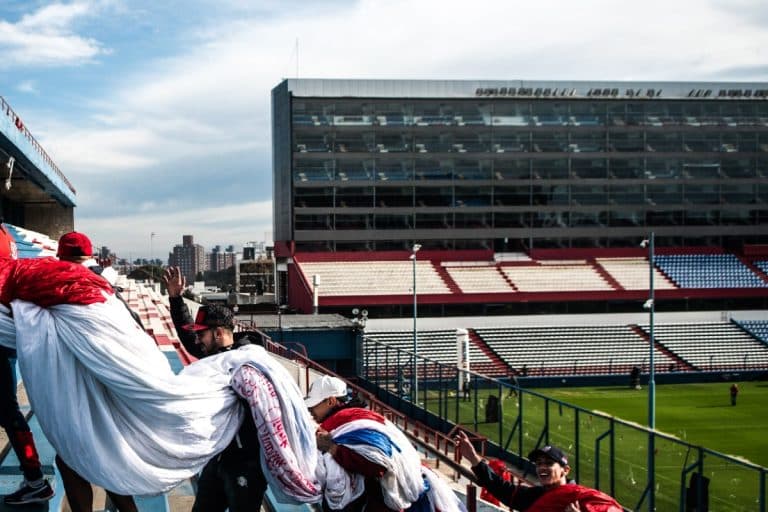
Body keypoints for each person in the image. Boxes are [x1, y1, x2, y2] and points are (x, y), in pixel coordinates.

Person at [163, 266, 267, 512]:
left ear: (219, 333)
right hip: (218, 458)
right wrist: (176, 299)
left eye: (203, 335)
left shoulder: (248, 364)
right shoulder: (218, 357)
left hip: (245, 463)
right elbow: (189, 338)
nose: (198, 341)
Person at [56, 231, 139, 512]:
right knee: (104, 460)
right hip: (115, 389)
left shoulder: (64, 285)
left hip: (84, 390)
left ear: (63, 258)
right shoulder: (109, 288)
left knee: (71, 461)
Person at [0, 223, 55, 506]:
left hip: (1, 332)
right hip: (5, 328)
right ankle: (34, 478)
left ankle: (34, 479)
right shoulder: (5, 234)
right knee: (7, 409)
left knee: (7, 410)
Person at [455, 431, 622, 511]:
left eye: (549, 464)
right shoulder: (534, 495)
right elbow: (502, 488)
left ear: (565, 470)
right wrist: (473, 458)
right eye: (538, 463)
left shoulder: (581, 498)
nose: (542, 467)